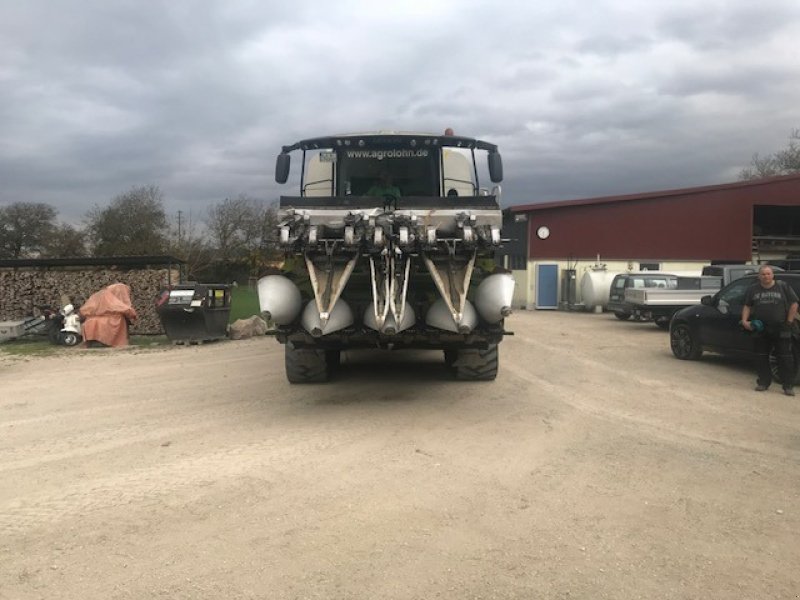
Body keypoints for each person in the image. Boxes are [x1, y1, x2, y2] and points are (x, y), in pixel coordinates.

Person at [741, 265, 798, 396]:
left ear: (772, 275)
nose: (766, 276)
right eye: (763, 274)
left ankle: (788, 386)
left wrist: (788, 322)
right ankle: (763, 382)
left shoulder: (782, 286)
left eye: (768, 274)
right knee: (761, 357)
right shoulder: (753, 289)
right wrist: (745, 321)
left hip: (781, 327)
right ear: (759, 276)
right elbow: (747, 305)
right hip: (761, 328)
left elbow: (794, 303)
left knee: (785, 358)